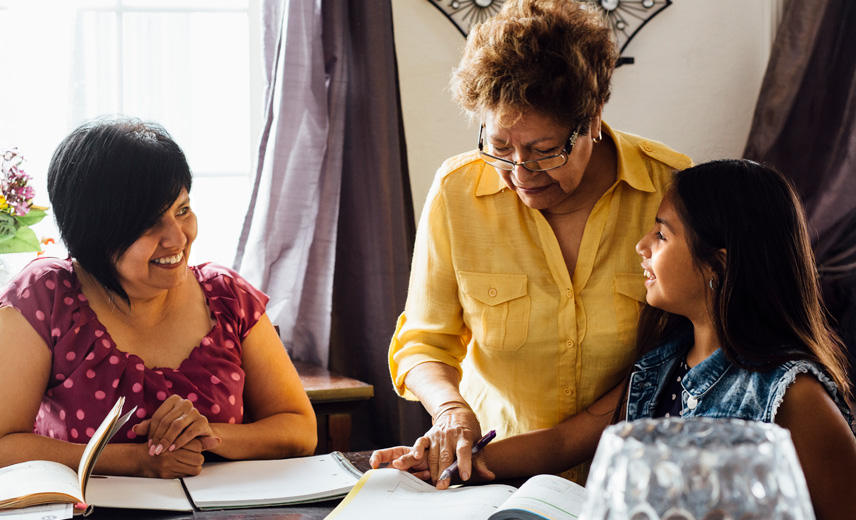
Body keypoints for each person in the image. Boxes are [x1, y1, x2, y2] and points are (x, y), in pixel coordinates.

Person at [374, 159, 856, 520]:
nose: (641, 246)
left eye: (662, 236)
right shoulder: (663, 365)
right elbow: (566, 440)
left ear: (720, 264)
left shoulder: (793, 396)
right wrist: (446, 461)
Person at [388, 0, 691, 484]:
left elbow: (693, 341)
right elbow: (424, 340)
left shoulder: (670, 189)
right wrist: (449, 410)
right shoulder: (457, 192)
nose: (519, 173)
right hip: (495, 477)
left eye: (545, 151)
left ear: (592, 118)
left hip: (636, 478)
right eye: (499, 147)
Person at [0, 118, 317, 479]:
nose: (177, 238)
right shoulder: (44, 297)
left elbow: (300, 429)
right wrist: (138, 460)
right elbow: (4, 444)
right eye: (150, 224)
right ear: (94, 232)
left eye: (182, 210)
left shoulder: (227, 296)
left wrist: (205, 435)